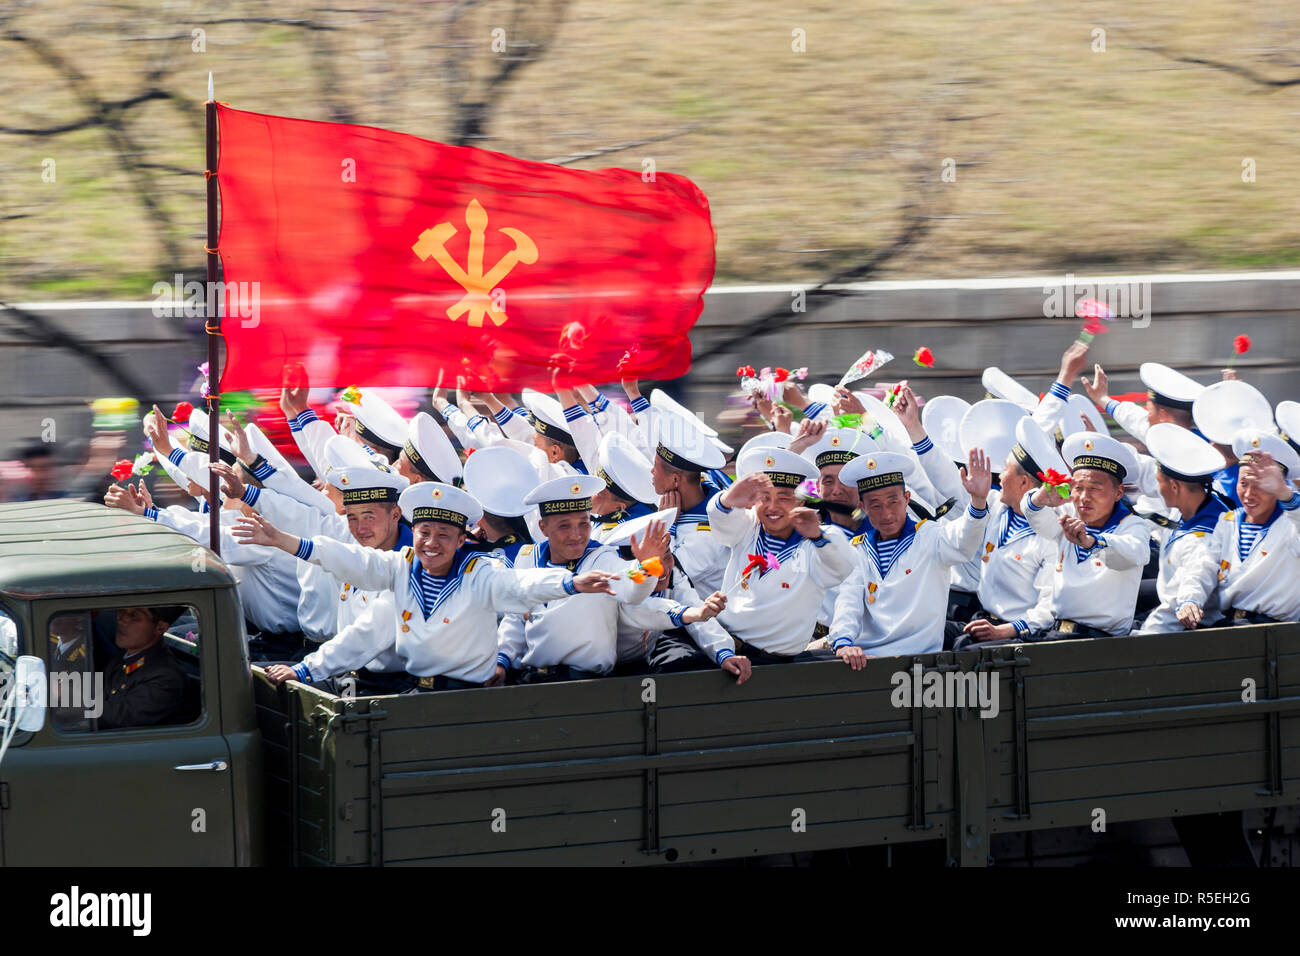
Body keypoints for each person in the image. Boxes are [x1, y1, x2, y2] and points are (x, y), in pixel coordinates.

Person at [236, 483, 618, 691]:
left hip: (466, 700)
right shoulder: (402, 570)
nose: (432, 544)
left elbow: (520, 584)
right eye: (424, 533)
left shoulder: (478, 574)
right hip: (417, 694)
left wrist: (570, 582)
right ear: (413, 533)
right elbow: (359, 601)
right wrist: (305, 670)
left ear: (461, 540)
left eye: (444, 535)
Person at [829, 447, 992, 663]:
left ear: (906, 498)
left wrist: (978, 501)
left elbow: (964, 540)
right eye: (875, 505)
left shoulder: (931, 536)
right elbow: (848, 600)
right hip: (867, 657)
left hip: (918, 657)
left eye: (893, 502)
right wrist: (843, 642)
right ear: (862, 506)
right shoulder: (857, 548)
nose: (886, 513)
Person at [495, 475, 664, 682]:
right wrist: (501, 660)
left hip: (587, 686)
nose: (576, 535)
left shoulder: (602, 557)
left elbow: (630, 585)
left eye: (584, 524)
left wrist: (646, 566)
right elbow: (515, 620)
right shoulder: (527, 558)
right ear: (543, 528)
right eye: (564, 526)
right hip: (535, 682)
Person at [708, 446, 856, 664]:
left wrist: (816, 535)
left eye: (784, 497)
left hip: (773, 662)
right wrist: (728, 499)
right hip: (725, 644)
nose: (772, 507)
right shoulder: (749, 525)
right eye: (764, 497)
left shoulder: (819, 539)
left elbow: (841, 566)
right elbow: (722, 523)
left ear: (801, 501)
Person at [1022, 433, 1154, 640]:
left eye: (1094, 489)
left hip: (1097, 642)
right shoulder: (1068, 516)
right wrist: (1040, 497)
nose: (1084, 497)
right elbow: (1036, 517)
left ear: (1118, 493)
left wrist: (1093, 542)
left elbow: (1134, 553)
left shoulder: (1132, 525)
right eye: (1078, 488)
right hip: (1055, 633)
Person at [957, 417, 1063, 647]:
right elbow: (944, 482)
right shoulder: (998, 506)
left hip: (1018, 635)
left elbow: (1049, 608)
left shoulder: (1051, 537)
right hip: (983, 619)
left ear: (1024, 483)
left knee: (963, 653)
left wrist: (1006, 631)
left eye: (1005, 469)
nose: (1000, 477)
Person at [1190, 431, 1300, 627]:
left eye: (1259, 485)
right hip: (1229, 624)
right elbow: (1204, 566)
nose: (1249, 494)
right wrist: (1190, 599)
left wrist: (1286, 494)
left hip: (1274, 632)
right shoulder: (1228, 521)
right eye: (1243, 483)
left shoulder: (1290, 524)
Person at [1134, 424, 1230, 632]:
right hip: (1170, 599)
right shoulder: (1191, 505)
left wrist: (1141, 637)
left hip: (1189, 622)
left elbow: (1195, 577)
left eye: (1159, 482)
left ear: (1175, 487)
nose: (1157, 488)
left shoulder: (1203, 537)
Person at [99, 606, 188, 730]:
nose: (122, 619)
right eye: (122, 610)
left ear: (160, 628)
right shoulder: (122, 658)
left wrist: (73, 700)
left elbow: (121, 717)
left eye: (135, 615)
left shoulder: (166, 676)